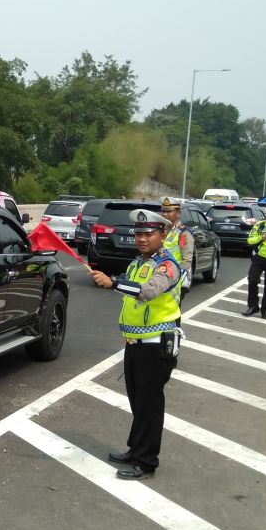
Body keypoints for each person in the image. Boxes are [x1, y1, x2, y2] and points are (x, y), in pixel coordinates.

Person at [89, 209, 183, 480]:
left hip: (156, 345)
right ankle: (136, 449)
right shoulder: (137, 263)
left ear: (162, 236)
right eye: (139, 234)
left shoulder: (167, 265)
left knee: (150, 404)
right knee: (138, 401)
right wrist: (113, 279)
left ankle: (146, 461)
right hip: (135, 344)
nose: (142, 239)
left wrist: (113, 283)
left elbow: (148, 291)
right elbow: (130, 284)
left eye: (148, 234)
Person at [160, 196, 193, 298]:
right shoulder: (161, 230)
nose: (165, 214)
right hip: (159, 275)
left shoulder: (183, 232)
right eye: (163, 211)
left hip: (174, 278)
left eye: (169, 211)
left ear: (178, 213)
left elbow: (186, 259)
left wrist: (181, 279)